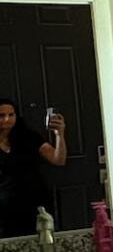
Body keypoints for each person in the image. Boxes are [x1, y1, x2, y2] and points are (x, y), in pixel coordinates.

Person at [0, 99, 67, 237]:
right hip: (6, 207)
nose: (7, 119)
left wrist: (59, 134)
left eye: (11, 115)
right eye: (1, 115)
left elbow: (58, 159)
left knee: (43, 240)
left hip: (37, 202)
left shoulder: (28, 137)